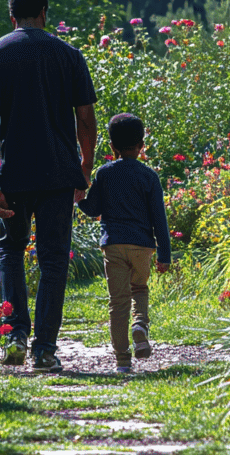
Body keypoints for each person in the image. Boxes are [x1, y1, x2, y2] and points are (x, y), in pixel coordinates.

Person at [0, 0, 98, 373]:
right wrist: (85, 167)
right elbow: (86, 119)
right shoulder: (68, 55)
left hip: (13, 175)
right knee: (54, 258)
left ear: (12, 17)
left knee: (10, 251)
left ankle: (14, 337)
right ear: (44, 12)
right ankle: (44, 349)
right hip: (58, 174)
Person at [76, 113, 171, 374]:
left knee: (118, 302)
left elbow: (93, 208)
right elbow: (159, 219)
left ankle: (122, 361)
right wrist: (164, 255)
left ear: (112, 146)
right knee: (139, 288)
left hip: (114, 244)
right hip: (142, 245)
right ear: (141, 145)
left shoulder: (105, 173)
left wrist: (79, 199)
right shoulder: (149, 176)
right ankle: (139, 325)